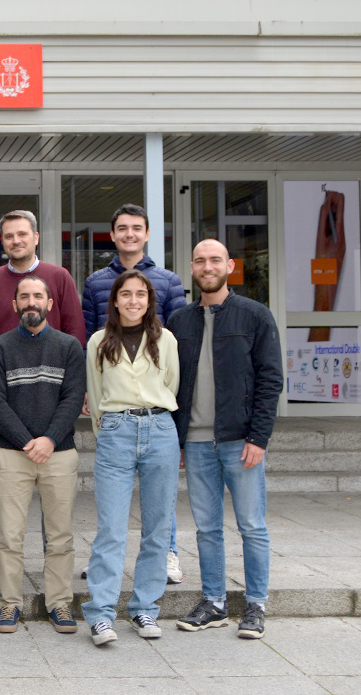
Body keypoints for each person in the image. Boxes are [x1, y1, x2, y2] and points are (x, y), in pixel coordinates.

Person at [169, 239, 282, 640]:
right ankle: (214, 602)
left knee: (252, 525)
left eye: (215, 259)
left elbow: (271, 380)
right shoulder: (179, 321)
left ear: (230, 266)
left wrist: (259, 437)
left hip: (241, 441)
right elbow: (172, 384)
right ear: (193, 268)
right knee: (207, 528)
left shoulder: (255, 315)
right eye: (200, 260)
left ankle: (255, 605)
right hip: (196, 443)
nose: (207, 266)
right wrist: (178, 440)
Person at [0, 210, 85, 580]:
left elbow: (75, 334)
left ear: (35, 237)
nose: (16, 241)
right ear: (2, 242)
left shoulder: (59, 277)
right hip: (3, 398)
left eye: (22, 234)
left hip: (53, 394)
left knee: (55, 484)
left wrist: (76, 390)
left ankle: (56, 557)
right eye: (8, 236)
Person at [81, 202, 188, 584]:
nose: (129, 234)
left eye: (136, 228)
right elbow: (91, 335)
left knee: (160, 503)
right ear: (113, 235)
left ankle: (169, 553)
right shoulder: (95, 282)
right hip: (115, 406)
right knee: (112, 509)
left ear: (146, 234)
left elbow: (177, 342)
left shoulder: (169, 280)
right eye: (122, 228)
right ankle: (106, 562)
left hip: (155, 408)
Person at [0, 275, 85, 635]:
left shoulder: (70, 346)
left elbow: (73, 398)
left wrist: (49, 439)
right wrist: (28, 440)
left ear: (50, 303)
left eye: (37, 296)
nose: (31, 302)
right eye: (23, 296)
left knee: (60, 536)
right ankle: (10, 603)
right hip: (12, 453)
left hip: (59, 453)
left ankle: (59, 604)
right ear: (14, 305)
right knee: (10, 537)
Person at [82, 270, 180, 646]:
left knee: (157, 526)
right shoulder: (98, 341)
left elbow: (171, 384)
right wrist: (108, 431)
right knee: (111, 527)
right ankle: (102, 614)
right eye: (127, 294)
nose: (134, 301)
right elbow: (95, 391)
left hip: (159, 429)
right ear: (116, 300)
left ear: (149, 299)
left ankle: (145, 608)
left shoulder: (166, 339)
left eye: (141, 294)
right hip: (116, 432)